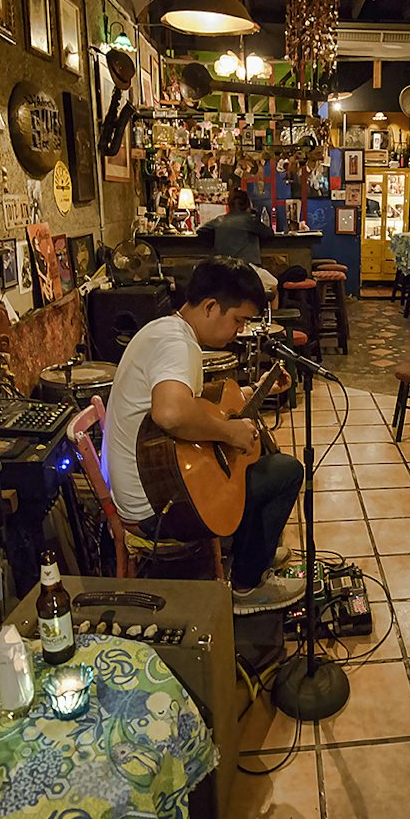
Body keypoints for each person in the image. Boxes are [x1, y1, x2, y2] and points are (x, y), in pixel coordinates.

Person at [103, 257, 306, 614]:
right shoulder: (178, 345)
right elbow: (172, 412)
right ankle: (246, 585)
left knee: (254, 463)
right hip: (157, 507)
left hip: (148, 487)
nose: (240, 331)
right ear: (211, 307)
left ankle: (254, 546)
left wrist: (254, 391)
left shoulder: (164, 329)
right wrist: (230, 432)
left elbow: (195, 407)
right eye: (238, 320)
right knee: (285, 471)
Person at [199, 189, 277, 302]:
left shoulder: (219, 220)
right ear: (248, 204)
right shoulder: (250, 220)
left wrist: (214, 239)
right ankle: (271, 318)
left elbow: (201, 231)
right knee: (274, 285)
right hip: (247, 270)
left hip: (222, 272)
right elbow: (269, 233)